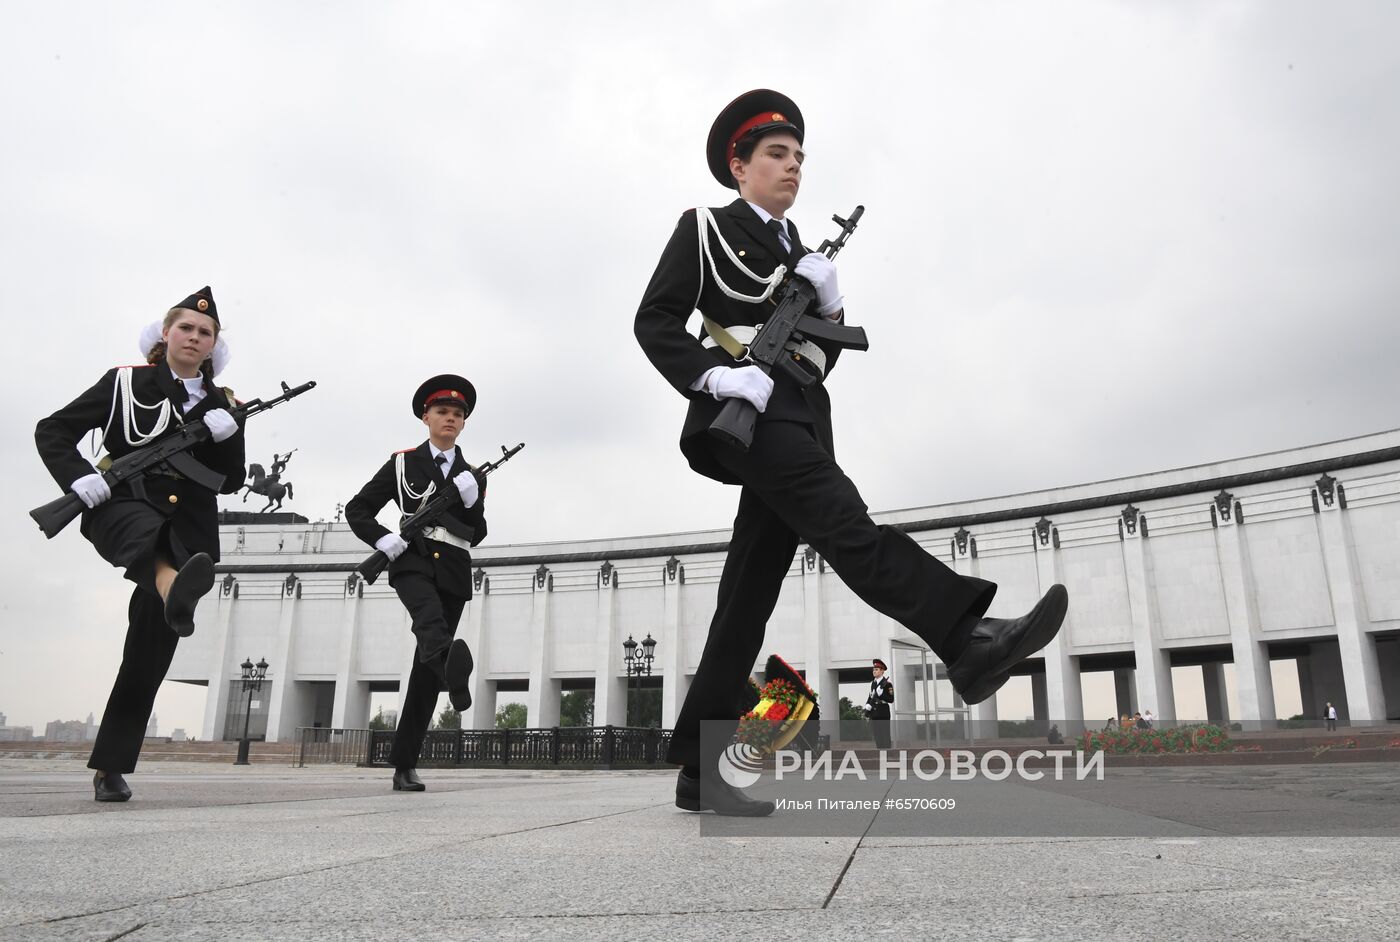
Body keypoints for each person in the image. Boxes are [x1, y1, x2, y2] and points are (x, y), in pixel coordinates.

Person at [634, 89, 1069, 816]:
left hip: (797, 417)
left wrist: (830, 311)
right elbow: (654, 318)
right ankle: (965, 637)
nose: (793, 165)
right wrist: (713, 372)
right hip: (747, 415)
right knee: (846, 525)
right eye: (776, 154)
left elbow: (815, 360)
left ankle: (700, 772)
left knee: (746, 601)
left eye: (800, 156)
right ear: (739, 166)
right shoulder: (707, 226)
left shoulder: (800, 250)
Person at [35, 286, 246, 802]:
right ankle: (173, 583)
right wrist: (78, 477)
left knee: (147, 655)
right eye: (186, 328)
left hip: (190, 531)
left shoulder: (226, 404)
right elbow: (52, 430)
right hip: (122, 504)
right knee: (149, 537)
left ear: (214, 346)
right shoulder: (124, 384)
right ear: (165, 334)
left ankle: (111, 766)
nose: (195, 337)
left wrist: (227, 434)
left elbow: (232, 480)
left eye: (206, 333)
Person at [345, 375, 486, 792]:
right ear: (426, 416)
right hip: (413, 561)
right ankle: (451, 667)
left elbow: (475, 533)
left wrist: (470, 499)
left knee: (424, 671)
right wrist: (384, 538)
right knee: (429, 622)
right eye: (442, 412)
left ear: (463, 424)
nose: (450, 419)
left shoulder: (472, 475)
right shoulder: (403, 463)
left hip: (455, 566)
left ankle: (404, 764)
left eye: (458, 414)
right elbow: (358, 509)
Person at [862, 658, 895, 748]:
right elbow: (871, 696)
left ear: (882, 671)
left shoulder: (887, 684)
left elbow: (891, 699)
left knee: (885, 734)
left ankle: (887, 754)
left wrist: (882, 694)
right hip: (874, 712)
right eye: (873, 669)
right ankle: (880, 752)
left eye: (876, 669)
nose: (874, 671)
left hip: (883, 711)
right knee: (877, 735)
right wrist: (867, 704)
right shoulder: (873, 683)